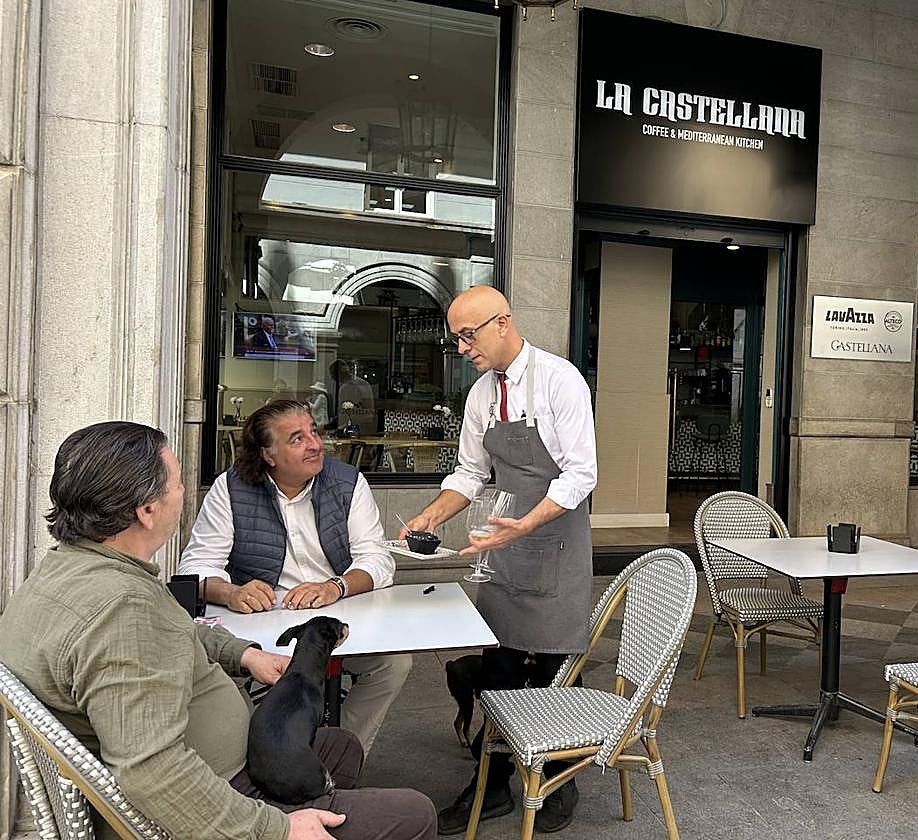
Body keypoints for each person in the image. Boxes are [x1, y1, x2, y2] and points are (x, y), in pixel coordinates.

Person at [0, 421, 435, 840]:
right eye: (176, 483)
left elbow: (173, 626)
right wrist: (277, 829)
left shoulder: (70, 571)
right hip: (220, 793)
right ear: (146, 511)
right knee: (414, 813)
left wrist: (243, 653)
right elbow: (153, 772)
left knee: (341, 747)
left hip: (227, 762)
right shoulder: (122, 610)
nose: (184, 492)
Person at [402, 286, 597, 835]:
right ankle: (493, 784)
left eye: (468, 335)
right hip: (503, 552)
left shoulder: (560, 381)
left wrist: (527, 524)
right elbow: (469, 475)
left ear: (503, 323)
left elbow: (581, 474)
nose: (462, 348)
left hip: (556, 544)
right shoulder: (481, 395)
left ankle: (561, 775)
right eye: (456, 338)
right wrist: (430, 517)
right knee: (502, 668)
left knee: (554, 672)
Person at [179, 400, 410, 755]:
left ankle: (336, 752)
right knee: (215, 667)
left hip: (339, 618)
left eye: (314, 432)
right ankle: (252, 756)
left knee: (393, 663)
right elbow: (195, 566)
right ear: (268, 455)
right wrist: (230, 592)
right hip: (263, 621)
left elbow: (378, 559)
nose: (316, 444)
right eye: (297, 438)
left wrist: (337, 586)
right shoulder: (231, 488)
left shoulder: (348, 482)